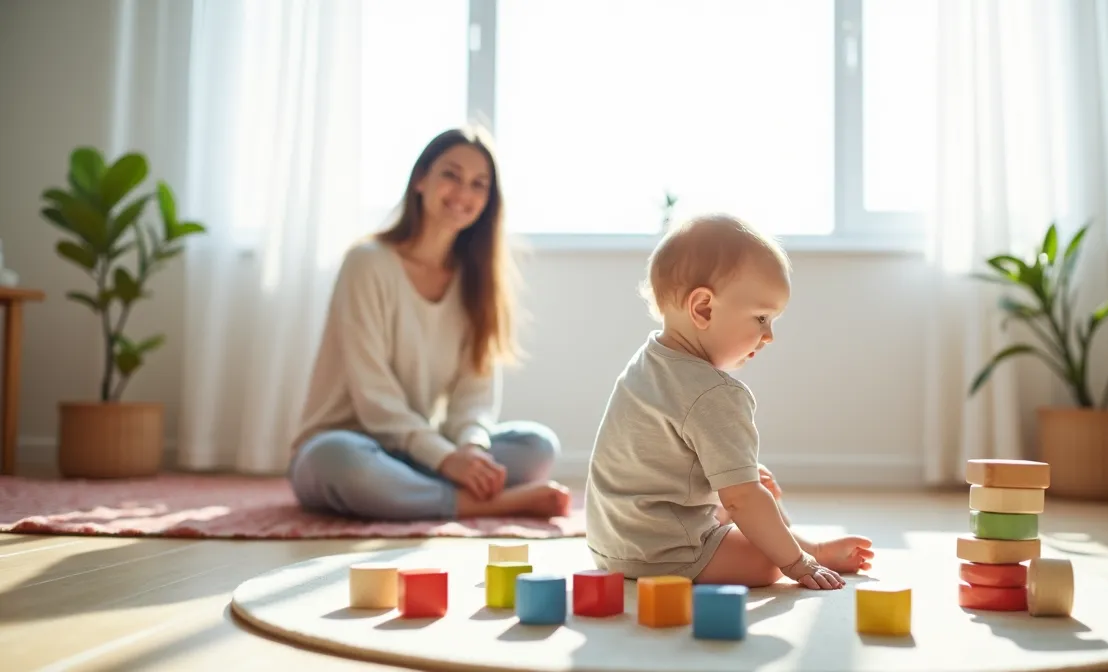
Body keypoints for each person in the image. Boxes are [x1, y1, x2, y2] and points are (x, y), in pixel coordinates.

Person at [287, 126, 571, 521]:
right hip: (351, 445)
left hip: (419, 452)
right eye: (451, 175)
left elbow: (474, 396)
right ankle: (478, 503)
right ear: (421, 179)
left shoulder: (478, 281)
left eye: (478, 184)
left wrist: (470, 449)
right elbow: (375, 399)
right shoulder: (367, 262)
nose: (463, 193)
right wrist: (445, 458)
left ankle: (416, 494)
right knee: (338, 461)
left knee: (537, 446)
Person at [584, 214, 874, 589]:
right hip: (664, 552)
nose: (768, 335)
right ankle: (809, 552)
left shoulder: (647, 361)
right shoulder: (715, 394)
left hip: (611, 545)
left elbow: (667, 461)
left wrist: (741, 487)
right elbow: (740, 499)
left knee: (753, 487)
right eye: (761, 318)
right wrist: (794, 564)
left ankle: (804, 545)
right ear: (703, 308)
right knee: (766, 554)